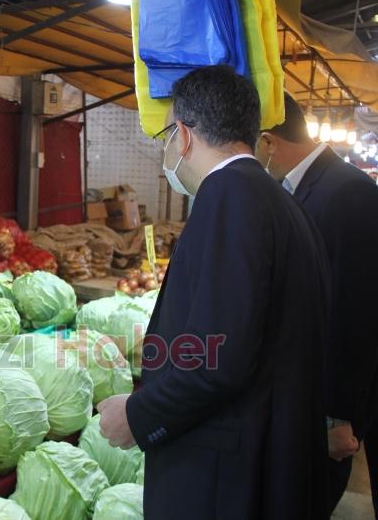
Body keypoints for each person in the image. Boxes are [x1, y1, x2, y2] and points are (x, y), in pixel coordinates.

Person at [98, 66, 330, 519]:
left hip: (227, 476)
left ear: (183, 136)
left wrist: (139, 415)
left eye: (167, 136)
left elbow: (218, 358)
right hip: (272, 458)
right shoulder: (281, 203)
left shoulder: (230, 197)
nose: (168, 150)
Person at [257, 93, 378, 516]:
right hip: (304, 395)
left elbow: (355, 314)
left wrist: (337, 416)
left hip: (329, 406)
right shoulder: (300, 187)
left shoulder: (348, 193)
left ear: (268, 142)